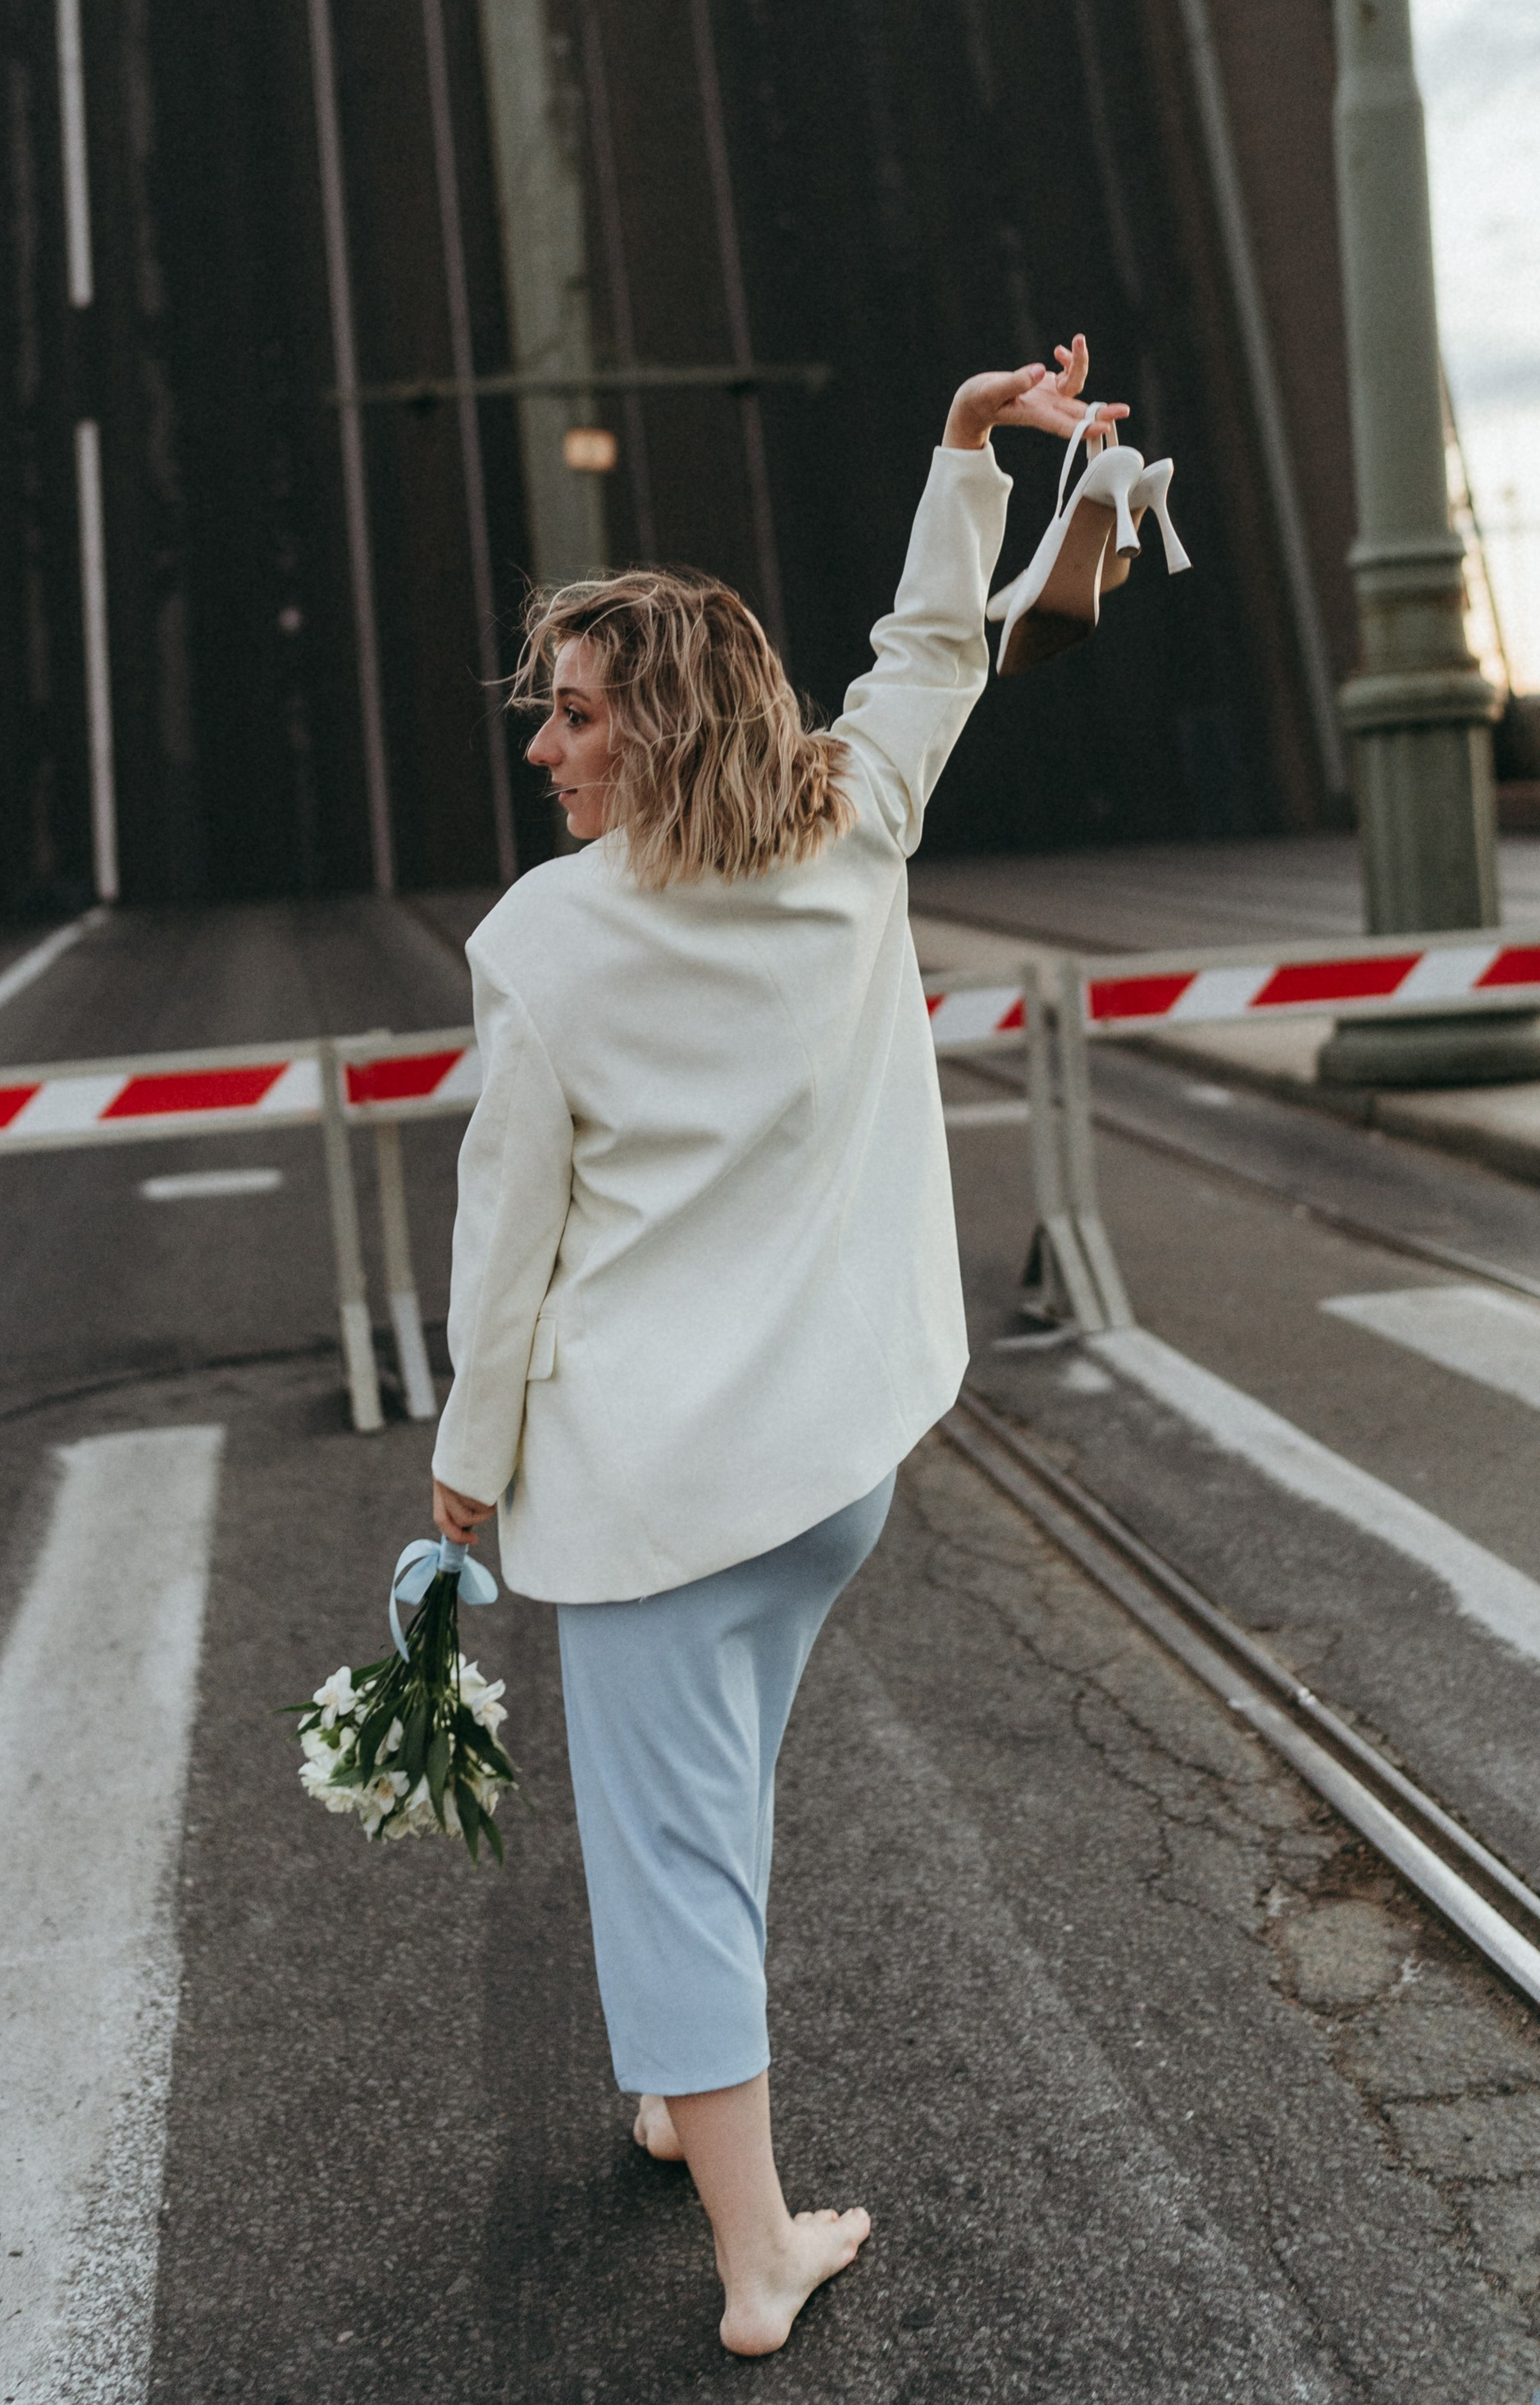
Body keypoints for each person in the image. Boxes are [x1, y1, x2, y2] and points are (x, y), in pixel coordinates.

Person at [431, 343, 1128, 2356]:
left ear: (648, 727)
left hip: (655, 1493)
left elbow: (507, 1246)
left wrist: (468, 1460)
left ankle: (754, 2256)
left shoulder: (547, 946)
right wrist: (958, 449)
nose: (543, 749)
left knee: (662, 1858)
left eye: (572, 715)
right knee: (711, 1808)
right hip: (825, 1474)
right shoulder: (847, 833)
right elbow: (932, 647)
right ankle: (678, 2094)